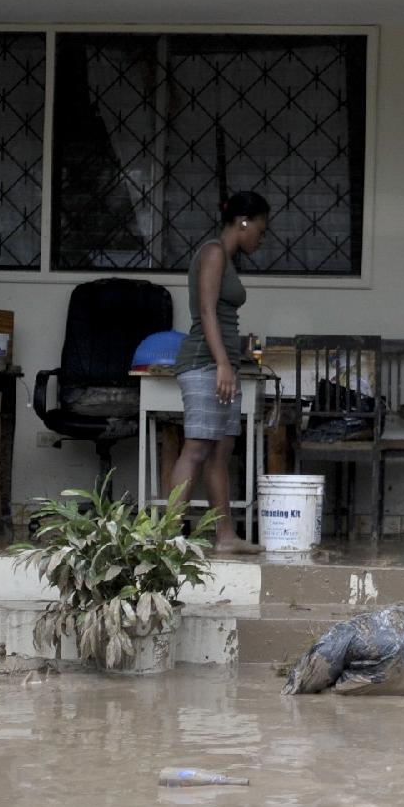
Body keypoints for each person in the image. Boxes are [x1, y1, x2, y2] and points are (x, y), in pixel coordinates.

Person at [167, 191, 270, 555]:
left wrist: (236, 352)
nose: (261, 235)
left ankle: (225, 537)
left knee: (221, 450)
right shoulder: (212, 253)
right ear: (243, 222)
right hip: (204, 363)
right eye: (260, 227)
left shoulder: (226, 258)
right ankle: (168, 536)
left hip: (222, 361)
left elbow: (222, 317)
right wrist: (223, 363)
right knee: (196, 447)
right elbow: (207, 312)